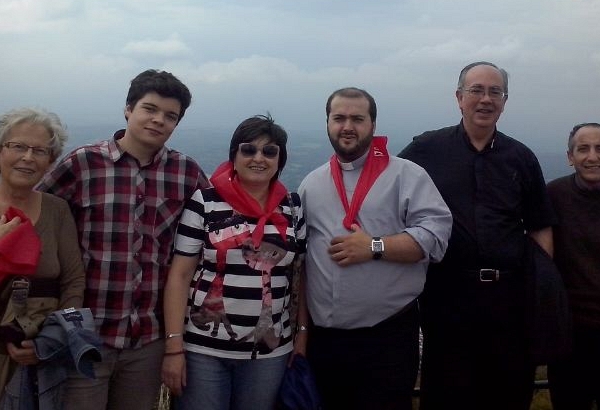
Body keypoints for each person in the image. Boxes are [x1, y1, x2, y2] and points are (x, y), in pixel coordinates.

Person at [37, 69, 209, 410]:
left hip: (147, 339)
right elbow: (38, 215)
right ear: (128, 109)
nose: (159, 120)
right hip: (86, 334)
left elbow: (216, 224)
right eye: (150, 108)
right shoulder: (83, 164)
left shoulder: (186, 173)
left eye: (170, 116)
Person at [399, 61, 555, 410]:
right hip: (447, 297)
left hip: (510, 300)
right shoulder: (427, 149)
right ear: (459, 98)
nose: (486, 99)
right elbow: (388, 191)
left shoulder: (521, 157)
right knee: (446, 393)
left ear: (504, 101)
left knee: (508, 392)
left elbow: (541, 225)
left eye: (495, 92)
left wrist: (541, 288)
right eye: (476, 90)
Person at [298, 87, 452, 410]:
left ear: (373, 124)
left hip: (386, 340)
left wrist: (374, 246)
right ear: (327, 123)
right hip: (324, 341)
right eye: (339, 118)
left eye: (357, 118)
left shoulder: (406, 175)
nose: (347, 126)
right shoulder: (312, 183)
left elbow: (436, 238)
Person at [161, 114, 305, 410]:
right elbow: (180, 276)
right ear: (234, 156)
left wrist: (302, 336)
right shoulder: (205, 201)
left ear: (281, 159)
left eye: (269, 151)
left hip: (269, 352)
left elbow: (302, 277)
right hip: (203, 350)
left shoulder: (292, 207)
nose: (259, 158)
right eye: (248, 149)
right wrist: (173, 347)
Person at [0, 108, 85, 400]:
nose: (28, 157)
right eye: (18, 146)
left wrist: (51, 340)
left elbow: (74, 281)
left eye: (40, 151)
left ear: (50, 161)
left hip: (38, 353)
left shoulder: (57, 210)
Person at [547, 122, 600, 409]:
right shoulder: (554, 196)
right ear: (570, 157)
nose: (592, 156)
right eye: (583, 149)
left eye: (599, 148)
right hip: (570, 335)